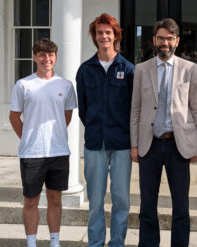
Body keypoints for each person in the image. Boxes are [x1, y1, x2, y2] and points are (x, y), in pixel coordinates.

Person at [130, 18, 197, 247]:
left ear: (177, 41)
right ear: (153, 40)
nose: (165, 42)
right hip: (149, 144)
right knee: (147, 206)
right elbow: (136, 108)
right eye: (160, 38)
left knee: (181, 206)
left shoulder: (190, 69)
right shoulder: (141, 69)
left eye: (169, 38)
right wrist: (134, 144)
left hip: (178, 145)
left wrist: (195, 145)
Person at [9, 38, 77, 247]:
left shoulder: (65, 85)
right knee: (31, 200)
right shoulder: (23, 85)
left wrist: (52, 134)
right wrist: (30, 136)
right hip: (32, 153)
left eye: (50, 55)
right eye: (42, 55)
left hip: (58, 151)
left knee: (55, 199)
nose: (46, 59)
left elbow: (66, 116)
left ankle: (54, 242)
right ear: (34, 57)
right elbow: (14, 117)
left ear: (55, 57)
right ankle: (31, 243)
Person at [76, 13, 134, 247]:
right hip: (95, 144)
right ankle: (96, 243)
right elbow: (83, 109)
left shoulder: (128, 69)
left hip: (121, 145)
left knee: (121, 201)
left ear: (115, 36)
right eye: (100, 33)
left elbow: (133, 108)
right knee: (96, 201)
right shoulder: (85, 70)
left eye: (108, 32)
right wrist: (95, 128)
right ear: (94, 36)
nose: (104, 37)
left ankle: (117, 243)